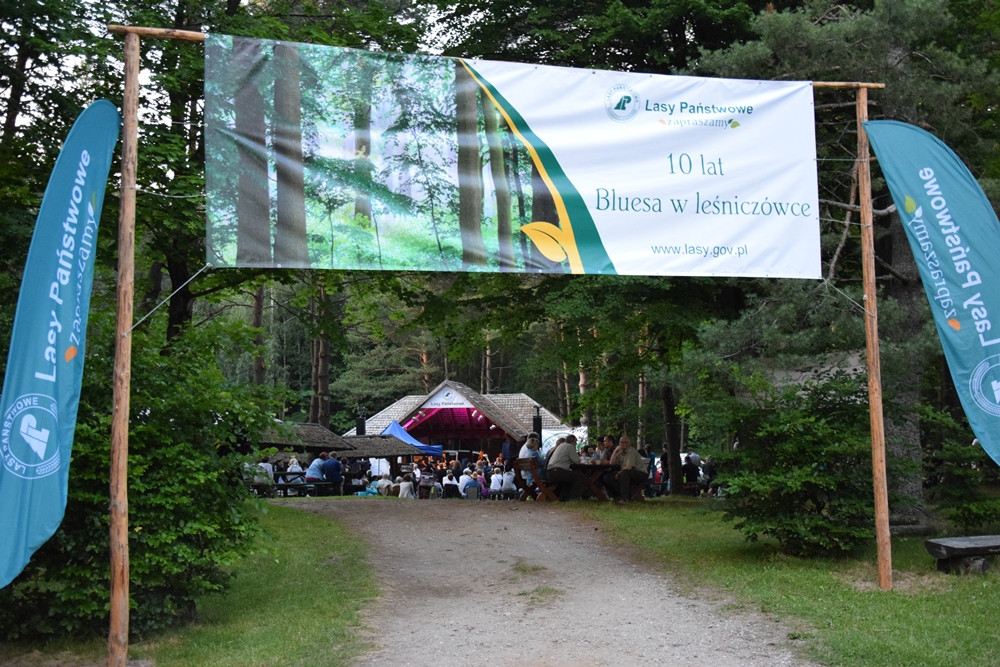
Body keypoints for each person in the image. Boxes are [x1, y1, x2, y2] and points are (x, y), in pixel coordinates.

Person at [545, 433, 586, 501]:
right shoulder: (569, 446)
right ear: (572, 441)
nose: (576, 444)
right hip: (557, 472)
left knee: (569, 477)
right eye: (575, 442)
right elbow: (577, 461)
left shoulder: (561, 445)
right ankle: (574, 497)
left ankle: (564, 498)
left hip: (550, 472)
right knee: (580, 476)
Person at [610, 435, 647, 503]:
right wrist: (615, 451)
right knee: (608, 477)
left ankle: (624, 498)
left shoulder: (631, 451)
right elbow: (611, 463)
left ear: (629, 443)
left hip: (640, 474)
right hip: (628, 474)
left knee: (624, 473)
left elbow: (629, 467)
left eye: (625, 442)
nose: (622, 444)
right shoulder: (620, 452)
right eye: (620, 442)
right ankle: (618, 496)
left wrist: (619, 473)